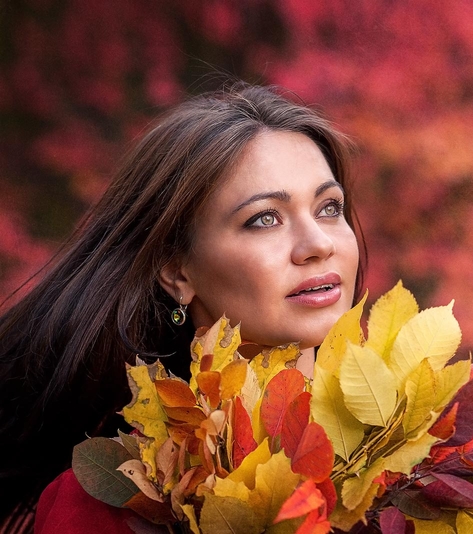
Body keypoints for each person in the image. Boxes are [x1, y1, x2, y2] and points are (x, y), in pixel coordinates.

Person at [0, 83, 365, 533]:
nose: (319, 244)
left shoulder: (431, 457)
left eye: (329, 208)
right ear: (176, 272)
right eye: (265, 218)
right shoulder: (109, 503)